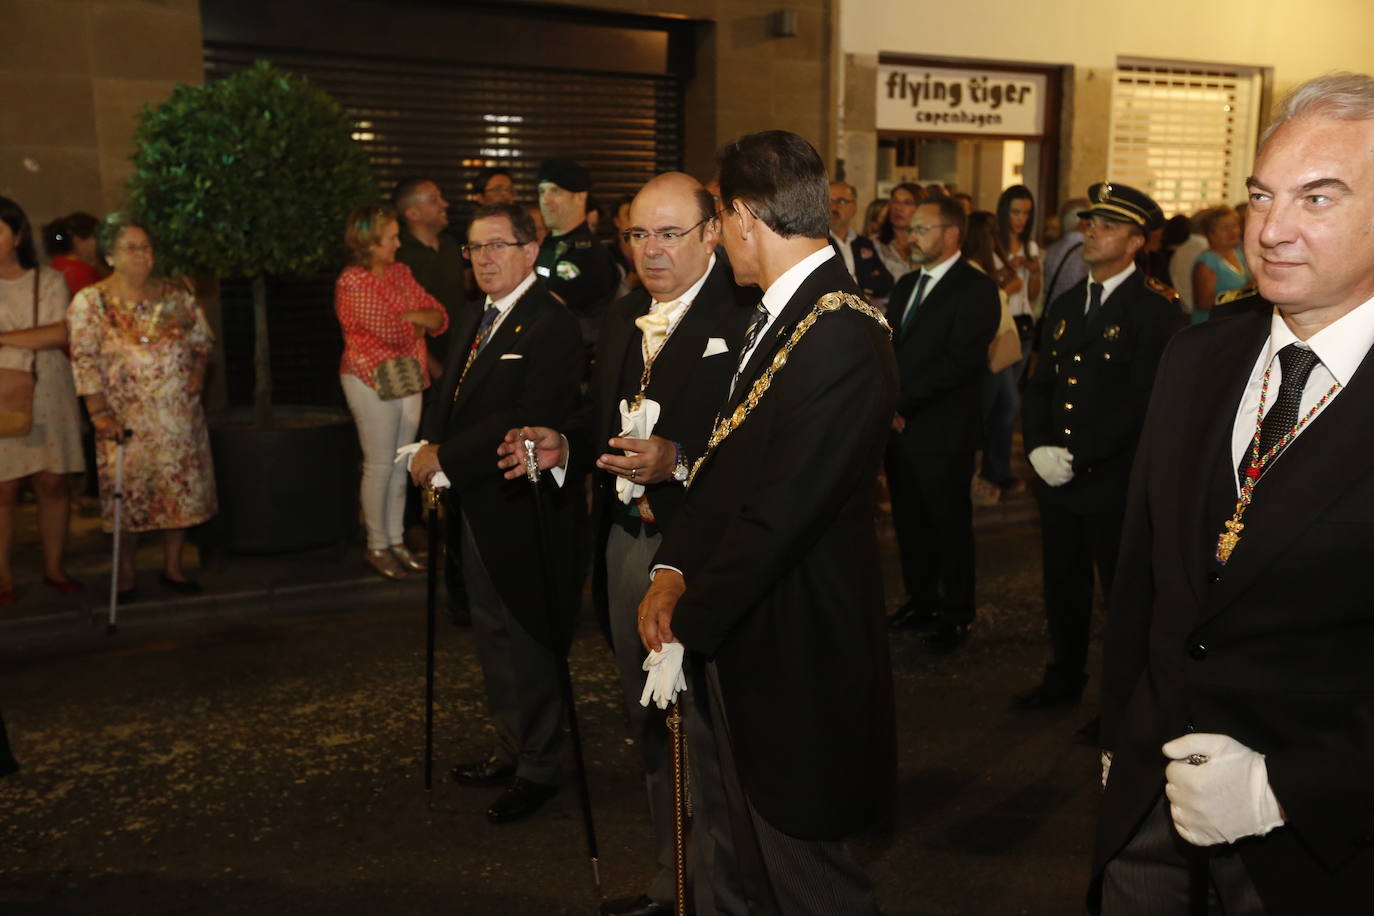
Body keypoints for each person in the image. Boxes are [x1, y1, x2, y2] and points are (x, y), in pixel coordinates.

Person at [1094, 72, 1374, 916]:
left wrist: (1284, 789)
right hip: (1149, 808)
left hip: (1322, 845)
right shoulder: (1199, 354)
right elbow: (1142, 570)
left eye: (1317, 199)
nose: (1273, 230)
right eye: (1261, 196)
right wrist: (1122, 738)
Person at [635, 130, 898, 914]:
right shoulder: (781, 313)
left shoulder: (842, 332)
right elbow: (725, 464)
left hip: (796, 641)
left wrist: (691, 618)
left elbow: (781, 513)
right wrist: (672, 567)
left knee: (807, 874)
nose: (719, 238)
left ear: (745, 218)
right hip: (743, 628)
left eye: (719, 219)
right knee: (743, 853)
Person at [498, 173, 753, 916]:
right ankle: (672, 882)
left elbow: (760, 445)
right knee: (650, 723)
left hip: (703, 551)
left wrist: (677, 458)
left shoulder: (745, 318)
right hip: (624, 544)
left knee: (711, 734)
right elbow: (600, 416)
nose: (653, 250)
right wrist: (562, 442)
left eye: (670, 233)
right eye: (640, 234)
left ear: (711, 233)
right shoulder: (620, 316)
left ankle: (724, 893)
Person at [410, 202, 584, 826]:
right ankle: (511, 747)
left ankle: (540, 766)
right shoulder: (476, 317)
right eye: (475, 249)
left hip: (524, 507)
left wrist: (445, 453)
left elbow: (528, 414)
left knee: (529, 636)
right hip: (477, 507)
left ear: (531, 250)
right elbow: (453, 398)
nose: (484, 258)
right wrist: (428, 447)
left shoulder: (549, 323)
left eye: (497, 246)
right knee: (490, 634)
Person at [1016, 183, 1182, 712]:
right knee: (1062, 585)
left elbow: (1142, 403)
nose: (1091, 231)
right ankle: (1063, 677)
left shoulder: (1155, 311)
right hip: (1058, 476)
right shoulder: (1066, 303)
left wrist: (1078, 456)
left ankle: (1120, 703)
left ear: (1135, 243)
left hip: (1113, 479)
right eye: (1091, 222)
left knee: (1122, 595)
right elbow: (1040, 383)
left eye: (1107, 226)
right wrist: (1039, 446)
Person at [68, 213, 217, 599]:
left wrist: (198, 371)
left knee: (178, 493)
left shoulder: (176, 294)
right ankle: (126, 572)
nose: (142, 255)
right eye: (131, 247)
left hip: (176, 415)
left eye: (147, 247)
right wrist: (98, 411)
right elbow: (83, 359)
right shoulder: (91, 301)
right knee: (130, 496)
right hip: (123, 419)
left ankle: (173, 567)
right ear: (110, 255)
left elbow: (202, 341)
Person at [884, 197, 1001, 648]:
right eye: (911, 229)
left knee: (948, 524)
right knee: (910, 522)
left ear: (952, 234)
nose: (911, 237)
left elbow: (961, 361)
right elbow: (890, 348)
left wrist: (903, 404)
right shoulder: (907, 284)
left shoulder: (976, 288)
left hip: (943, 428)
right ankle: (921, 599)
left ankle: (957, 612)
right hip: (900, 429)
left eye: (921, 229)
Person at [334, 203, 448, 580]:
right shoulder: (353, 281)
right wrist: (414, 323)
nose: (399, 244)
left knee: (401, 463)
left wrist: (413, 320)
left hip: (407, 378)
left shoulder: (401, 272)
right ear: (369, 243)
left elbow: (439, 315)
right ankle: (377, 544)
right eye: (392, 237)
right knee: (380, 463)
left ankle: (396, 540)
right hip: (369, 378)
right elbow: (392, 331)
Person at [0, 196, 84, 602]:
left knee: (53, 482)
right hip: (2, 394)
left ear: (16, 236)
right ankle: (2, 575)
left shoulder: (48, 280)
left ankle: (54, 566)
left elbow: (61, 333)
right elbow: (44, 333)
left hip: (49, 389)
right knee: (3, 488)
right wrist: (30, 337)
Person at [980, 185, 1042, 495]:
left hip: (1024, 326)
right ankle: (997, 470)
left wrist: (1035, 272)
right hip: (1001, 328)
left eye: (1026, 212)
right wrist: (1009, 276)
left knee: (1001, 403)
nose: (1020, 218)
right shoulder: (992, 244)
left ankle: (992, 467)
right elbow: (990, 288)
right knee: (1008, 403)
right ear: (1004, 212)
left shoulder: (1030, 245)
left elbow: (1031, 295)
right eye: (1016, 211)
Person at [535, 158, 620, 346]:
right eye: (542, 192)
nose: (545, 200)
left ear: (580, 197)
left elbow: (542, 308)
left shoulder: (587, 254)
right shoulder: (550, 243)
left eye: (555, 191)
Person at [828, 180, 895, 303]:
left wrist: (852, 280)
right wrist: (866, 280)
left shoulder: (863, 243)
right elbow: (826, 283)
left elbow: (886, 283)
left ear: (854, 207)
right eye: (828, 201)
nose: (833, 207)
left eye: (841, 201)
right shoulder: (817, 242)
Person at [1190, 205, 1252, 324]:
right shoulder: (1206, 262)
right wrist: (1243, 292)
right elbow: (1203, 303)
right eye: (1224, 228)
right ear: (1211, 233)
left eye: (1234, 226)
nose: (1232, 231)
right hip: (1210, 326)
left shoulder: (1239, 255)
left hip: (1233, 324)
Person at [1042, 197, 1091, 307]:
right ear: (1083, 221)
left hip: (1053, 313)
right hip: (1077, 313)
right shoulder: (1088, 251)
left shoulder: (1052, 249)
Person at [41, 212, 101, 297]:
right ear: (78, 240)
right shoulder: (81, 273)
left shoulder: (56, 267)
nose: (99, 244)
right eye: (95, 238)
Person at [874, 182, 923, 282]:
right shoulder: (874, 245)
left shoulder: (927, 245)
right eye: (895, 201)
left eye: (907, 203)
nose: (898, 208)